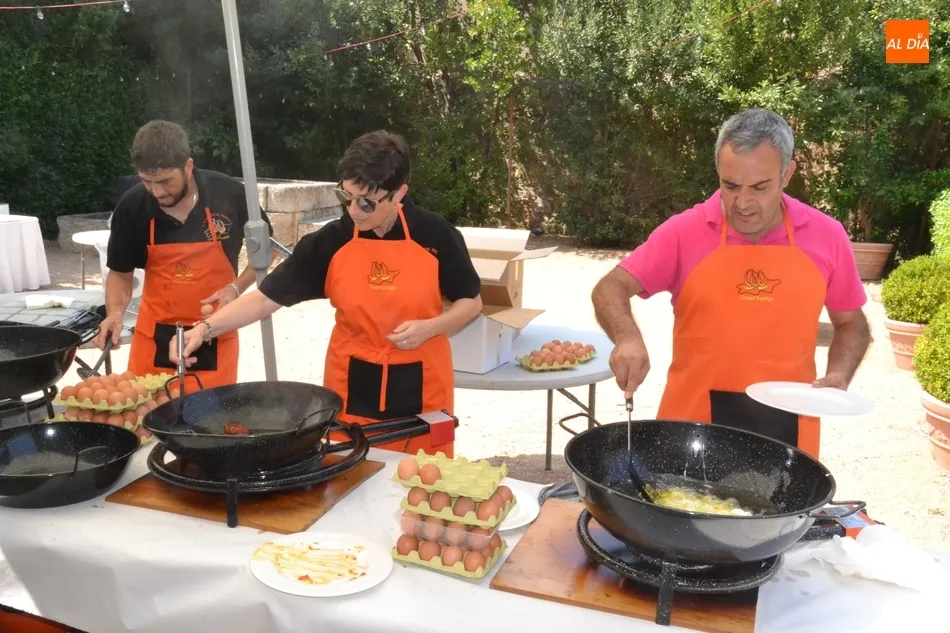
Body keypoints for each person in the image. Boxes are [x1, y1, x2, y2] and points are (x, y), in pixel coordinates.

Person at [171, 130, 483, 457]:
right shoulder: (330, 242)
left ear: (399, 193)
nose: (354, 211)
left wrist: (430, 328)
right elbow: (266, 298)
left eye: (367, 202)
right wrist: (203, 330)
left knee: (424, 483)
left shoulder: (436, 235)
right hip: (352, 385)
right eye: (345, 196)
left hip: (423, 388)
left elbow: (471, 301)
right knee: (350, 482)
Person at [591, 108, 871, 459]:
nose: (743, 203)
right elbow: (609, 288)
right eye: (730, 186)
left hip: (788, 437)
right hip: (689, 431)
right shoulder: (684, 232)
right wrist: (627, 336)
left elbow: (852, 324)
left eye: (760, 187)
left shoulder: (826, 236)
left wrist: (839, 374)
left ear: (787, 174)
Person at [93, 120, 273, 389]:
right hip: (153, 339)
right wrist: (115, 313)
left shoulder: (230, 194)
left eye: (165, 181)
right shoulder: (132, 207)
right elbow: (120, 272)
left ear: (188, 166)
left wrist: (235, 289)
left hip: (215, 332)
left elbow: (266, 251)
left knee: (210, 420)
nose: (157, 192)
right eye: (148, 183)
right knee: (145, 419)